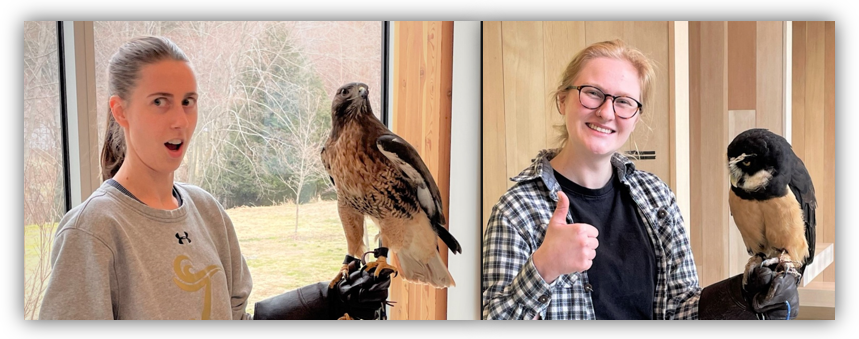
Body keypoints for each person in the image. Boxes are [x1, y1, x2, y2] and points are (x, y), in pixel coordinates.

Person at [38, 36, 389, 320]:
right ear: (121, 110)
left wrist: (328, 301)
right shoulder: (93, 230)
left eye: (188, 101)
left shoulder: (207, 210)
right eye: (160, 102)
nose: (180, 120)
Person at [481, 39, 798, 320]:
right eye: (592, 93)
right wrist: (544, 267)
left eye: (623, 102)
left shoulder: (656, 197)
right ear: (562, 100)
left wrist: (743, 298)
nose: (606, 113)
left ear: (635, 118)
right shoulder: (515, 211)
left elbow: (680, 310)